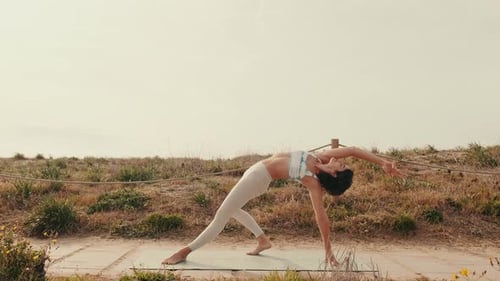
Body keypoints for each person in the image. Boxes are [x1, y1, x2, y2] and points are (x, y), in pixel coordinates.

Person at [162, 146, 402, 266]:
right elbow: (353, 150)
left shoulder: (313, 181)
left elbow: (321, 217)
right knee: (231, 209)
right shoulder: (321, 158)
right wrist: (383, 163)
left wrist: (328, 250)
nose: (340, 160)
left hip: (258, 179)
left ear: (334, 176)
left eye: (340, 166)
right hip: (254, 170)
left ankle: (185, 251)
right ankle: (262, 240)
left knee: (221, 216)